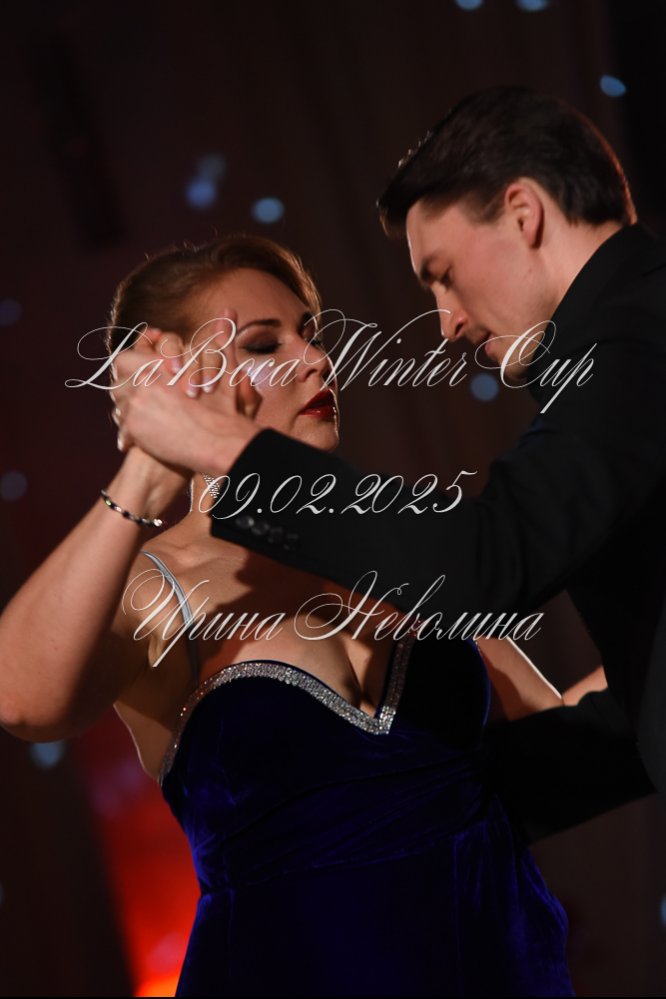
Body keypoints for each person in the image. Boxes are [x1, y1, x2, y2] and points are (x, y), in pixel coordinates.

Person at [1, 232, 612, 996]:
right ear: (172, 379)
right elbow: (24, 701)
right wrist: (145, 474)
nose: (319, 360)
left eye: (311, 334)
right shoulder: (162, 583)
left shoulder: (397, 536)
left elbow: (560, 742)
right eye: (265, 344)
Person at [110, 87, 664, 837]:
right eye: (266, 343)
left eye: (443, 272)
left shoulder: (635, 338)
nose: (447, 322)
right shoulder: (630, 331)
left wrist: (217, 446)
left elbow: (496, 555)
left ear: (523, 213)